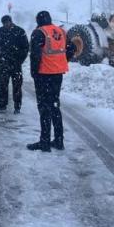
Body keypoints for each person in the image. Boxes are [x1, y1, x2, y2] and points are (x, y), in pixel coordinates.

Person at [27, 10, 70, 151]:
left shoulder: (39, 33)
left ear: (38, 20)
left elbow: (35, 55)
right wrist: (61, 61)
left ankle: (44, 142)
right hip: (58, 75)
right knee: (55, 106)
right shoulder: (61, 31)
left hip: (44, 75)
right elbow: (71, 48)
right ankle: (59, 140)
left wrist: (34, 73)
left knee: (44, 108)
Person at [0, 15, 29, 114]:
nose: (6, 24)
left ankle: (17, 107)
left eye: (7, 22)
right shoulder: (0, 31)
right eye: (4, 23)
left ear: (11, 21)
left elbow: (26, 47)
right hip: (4, 64)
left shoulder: (20, 31)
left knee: (17, 86)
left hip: (16, 64)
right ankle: (2, 105)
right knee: (3, 85)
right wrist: (0, 58)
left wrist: (20, 60)